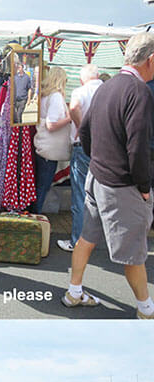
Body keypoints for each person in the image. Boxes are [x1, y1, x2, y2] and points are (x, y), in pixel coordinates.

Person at [61, 32, 154, 318]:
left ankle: (74, 292)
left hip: (98, 175)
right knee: (134, 253)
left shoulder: (106, 87)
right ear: (151, 60)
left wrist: (96, 158)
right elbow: (137, 147)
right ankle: (146, 310)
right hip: (121, 183)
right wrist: (144, 186)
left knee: (86, 239)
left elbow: (85, 130)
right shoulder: (139, 92)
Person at [57, 64, 102, 252]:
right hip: (106, 148)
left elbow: (74, 107)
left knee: (80, 195)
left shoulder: (80, 91)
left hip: (83, 146)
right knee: (102, 194)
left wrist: (82, 128)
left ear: (83, 79)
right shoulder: (108, 89)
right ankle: (99, 240)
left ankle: (77, 241)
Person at [33, 66, 72, 214]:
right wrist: (70, 117)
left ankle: (33, 216)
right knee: (43, 186)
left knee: (40, 185)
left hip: (43, 146)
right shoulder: (55, 97)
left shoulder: (44, 96)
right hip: (50, 150)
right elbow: (51, 125)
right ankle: (35, 219)